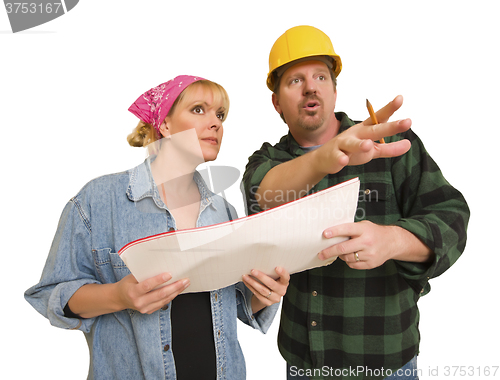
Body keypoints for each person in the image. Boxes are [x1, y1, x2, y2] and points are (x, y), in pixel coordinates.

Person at [25, 75, 290, 380]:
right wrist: (118, 296)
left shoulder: (223, 211)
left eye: (220, 114)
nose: (216, 123)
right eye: (199, 109)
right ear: (164, 124)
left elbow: (239, 307)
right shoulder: (98, 200)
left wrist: (266, 293)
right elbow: (50, 294)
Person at [242, 26, 469, 380]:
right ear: (277, 103)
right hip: (304, 365)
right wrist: (323, 159)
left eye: (320, 76)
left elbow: (451, 217)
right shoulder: (267, 161)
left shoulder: (390, 144)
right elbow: (264, 195)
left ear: (334, 90)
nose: (310, 87)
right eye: (294, 81)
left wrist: (392, 240)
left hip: (387, 362)